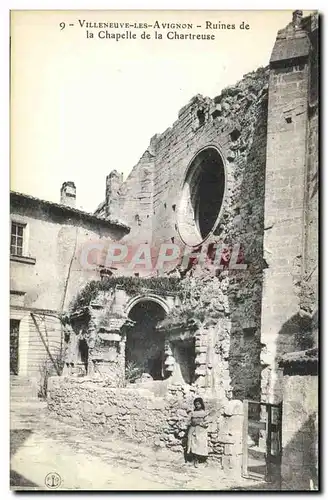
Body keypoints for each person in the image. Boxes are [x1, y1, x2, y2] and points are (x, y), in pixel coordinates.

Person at [187, 397, 209, 467]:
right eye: (196, 404)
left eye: (199, 404)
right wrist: (192, 422)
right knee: (193, 443)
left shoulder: (204, 413)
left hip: (201, 430)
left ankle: (203, 460)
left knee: (201, 443)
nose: (197, 405)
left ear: (201, 404)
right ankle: (194, 459)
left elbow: (207, 422)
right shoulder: (193, 413)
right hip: (193, 429)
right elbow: (188, 420)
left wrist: (203, 424)